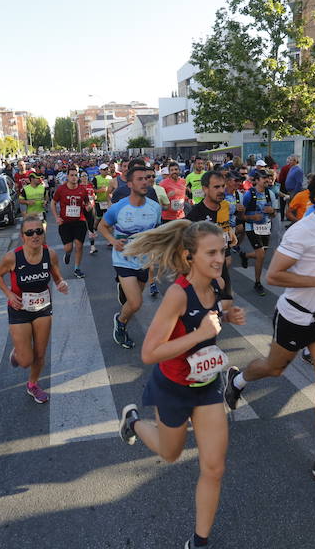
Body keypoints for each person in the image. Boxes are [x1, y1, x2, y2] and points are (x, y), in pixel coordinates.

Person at [224, 170, 315, 491]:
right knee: (273, 369)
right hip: (295, 316)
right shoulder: (301, 232)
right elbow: (275, 276)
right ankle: (237, 380)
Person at [117, 220, 246, 549]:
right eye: (212, 253)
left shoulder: (217, 284)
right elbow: (150, 353)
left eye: (223, 251)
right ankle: (133, 421)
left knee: (214, 467)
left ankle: (199, 542)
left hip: (206, 387)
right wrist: (201, 334)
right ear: (190, 257)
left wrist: (227, 318)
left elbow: (211, 316)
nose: (220, 259)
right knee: (170, 453)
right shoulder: (177, 294)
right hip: (173, 388)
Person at [0, 216, 69, 404]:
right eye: (30, 232)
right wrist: (9, 294)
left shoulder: (50, 254)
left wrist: (61, 283)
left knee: (40, 353)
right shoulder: (13, 257)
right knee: (26, 360)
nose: (35, 235)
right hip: (19, 310)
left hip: (42, 308)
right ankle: (19, 352)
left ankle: (33, 384)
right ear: (22, 236)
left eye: (39, 231)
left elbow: (57, 275)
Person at [99, 166, 163, 349]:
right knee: (136, 303)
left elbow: (157, 231)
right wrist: (113, 240)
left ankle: (124, 295)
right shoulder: (119, 207)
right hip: (123, 258)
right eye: (140, 179)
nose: (145, 182)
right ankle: (120, 323)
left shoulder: (155, 208)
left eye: (147, 178)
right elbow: (102, 226)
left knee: (133, 301)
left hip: (144, 260)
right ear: (129, 184)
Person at [185, 171, 237, 311]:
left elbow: (224, 228)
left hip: (221, 266)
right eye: (216, 187)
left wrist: (227, 250)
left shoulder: (225, 206)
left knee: (226, 302)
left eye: (222, 186)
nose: (221, 190)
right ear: (205, 189)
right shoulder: (195, 215)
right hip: (202, 271)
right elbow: (185, 251)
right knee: (204, 309)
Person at [239, 171, 276, 296]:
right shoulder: (249, 195)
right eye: (264, 178)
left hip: (266, 227)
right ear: (257, 180)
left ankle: (246, 255)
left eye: (268, 177)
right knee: (260, 255)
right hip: (252, 227)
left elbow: (274, 214)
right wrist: (251, 217)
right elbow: (241, 216)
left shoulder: (270, 194)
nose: (267, 180)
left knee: (261, 254)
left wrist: (272, 211)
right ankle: (258, 283)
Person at [51, 168, 90, 279]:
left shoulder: (82, 189)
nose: (74, 177)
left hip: (79, 221)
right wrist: (56, 217)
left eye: (75, 175)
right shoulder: (61, 189)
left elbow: (87, 202)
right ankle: (68, 254)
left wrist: (88, 206)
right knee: (68, 247)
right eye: (71, 175)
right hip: (65, 222)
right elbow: (53, 203)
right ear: (67, 176)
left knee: (79, 245)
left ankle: (77, 268)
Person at [79, 170, 99, 255]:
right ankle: (78, 245)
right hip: (82, 209)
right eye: (83, 176)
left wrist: (94, 197)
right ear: (80, 178)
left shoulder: (91, 185)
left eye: (86, 176)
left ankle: (92, 246)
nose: (84, 177)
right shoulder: (79, 187)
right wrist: (84, 204)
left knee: (91, 227)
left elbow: (94, 195)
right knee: (82, 228)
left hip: (91, 208)